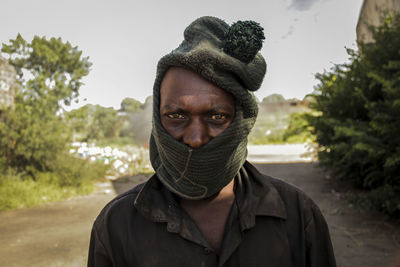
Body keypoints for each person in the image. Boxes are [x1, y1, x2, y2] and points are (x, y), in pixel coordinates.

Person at [88, 16, 336, 267]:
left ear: (242, 119)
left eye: (217, 116)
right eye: (176, 116)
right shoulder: (115, 226)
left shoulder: (297, 216)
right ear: (157, 118)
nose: (195, 139)